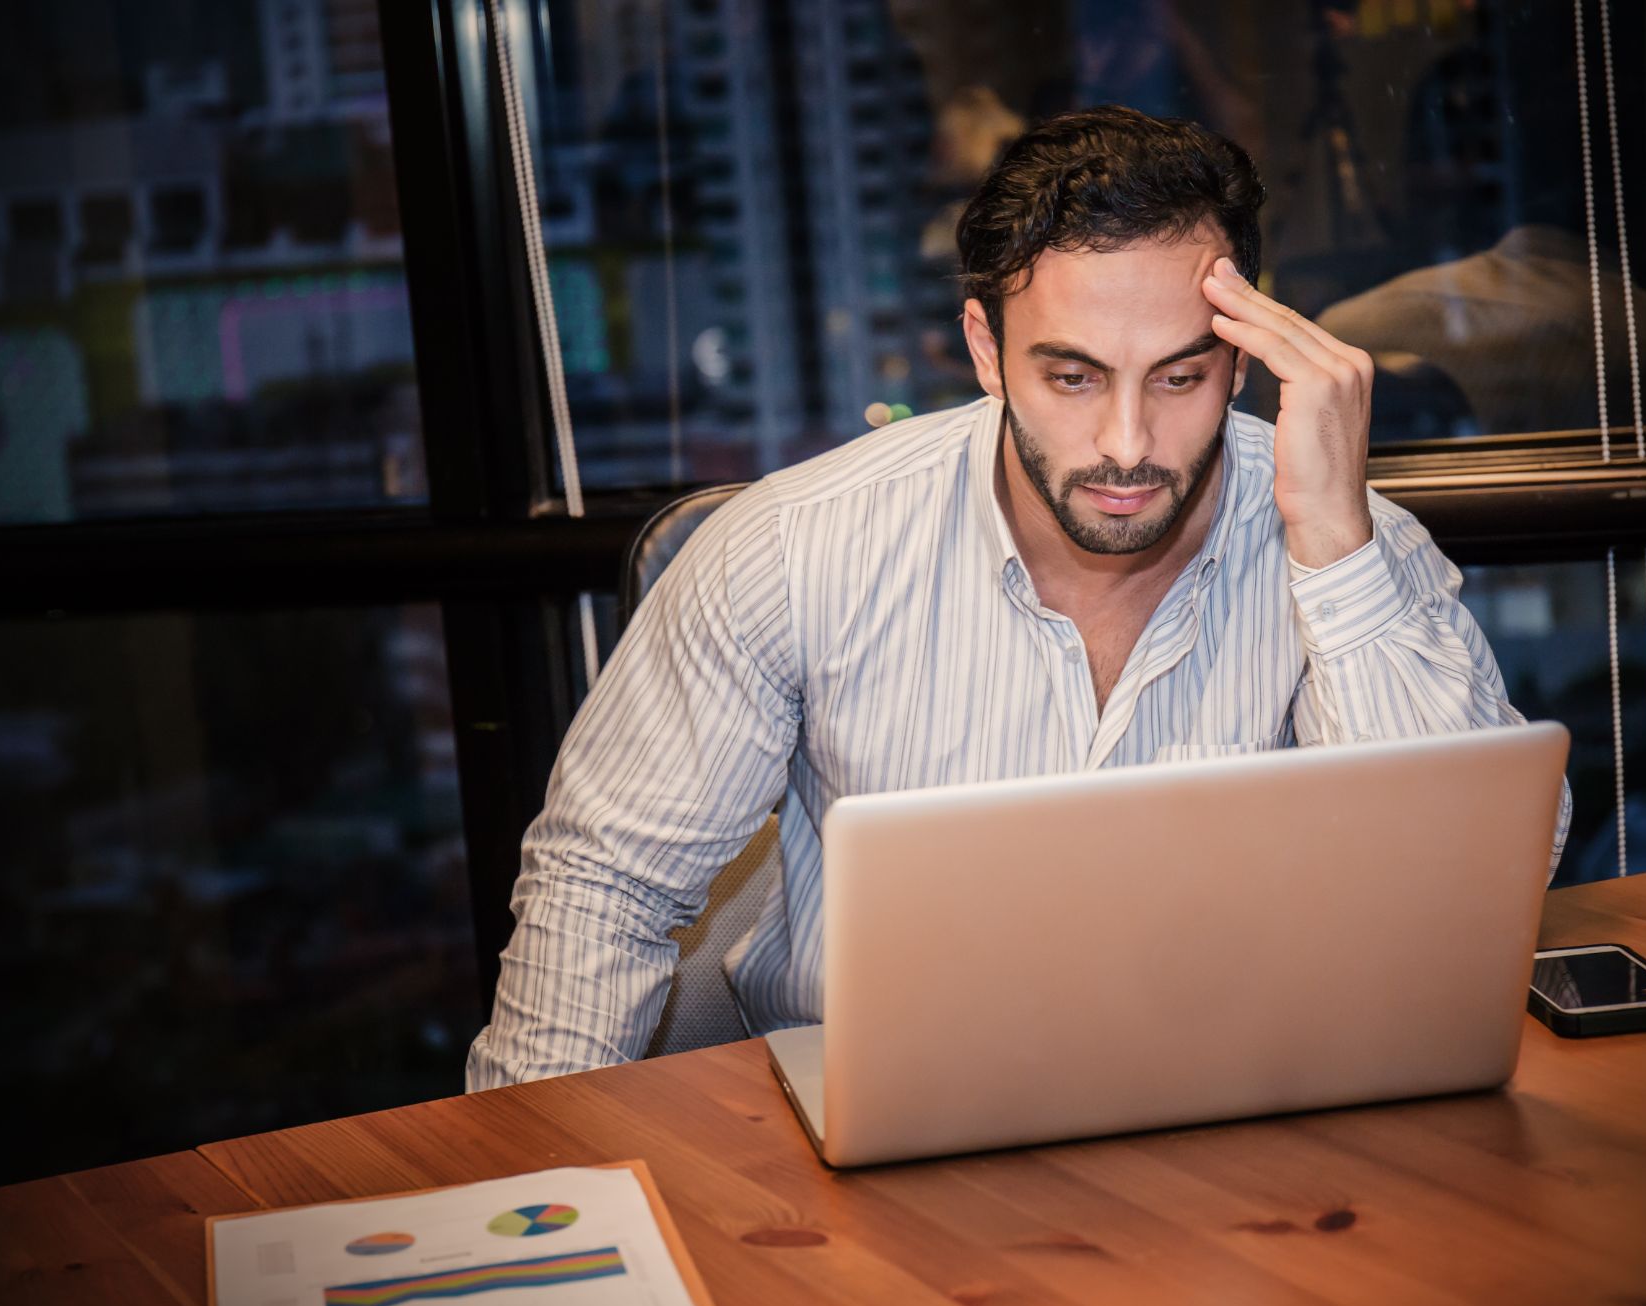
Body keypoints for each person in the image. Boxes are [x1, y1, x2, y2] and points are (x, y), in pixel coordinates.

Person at [466, 104, 1570, 1090]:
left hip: (1245, 1116)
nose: (1127, 447)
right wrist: (526, 1194)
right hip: (877, 1135)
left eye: (1181, 376)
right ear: (986, 349)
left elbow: (1454, 915)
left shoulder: (1354, 548)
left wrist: (1335, 547)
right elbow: (601, 888)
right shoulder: (787, 552)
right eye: (1074, 375)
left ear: (1242, 358)